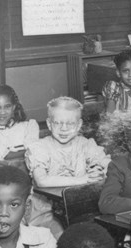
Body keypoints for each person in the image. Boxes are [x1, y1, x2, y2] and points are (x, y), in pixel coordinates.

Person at [25, 97, 110, 236]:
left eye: (70, 123)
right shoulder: (40, 148)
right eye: (57, 123)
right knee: (63, 238)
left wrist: (101, 172)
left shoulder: (85, 144)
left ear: (79, 124)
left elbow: (108, 165)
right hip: (45, 212)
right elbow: (41, 180)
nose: (64, 129)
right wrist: (84, 179)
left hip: (80, 209)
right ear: (49, 124)